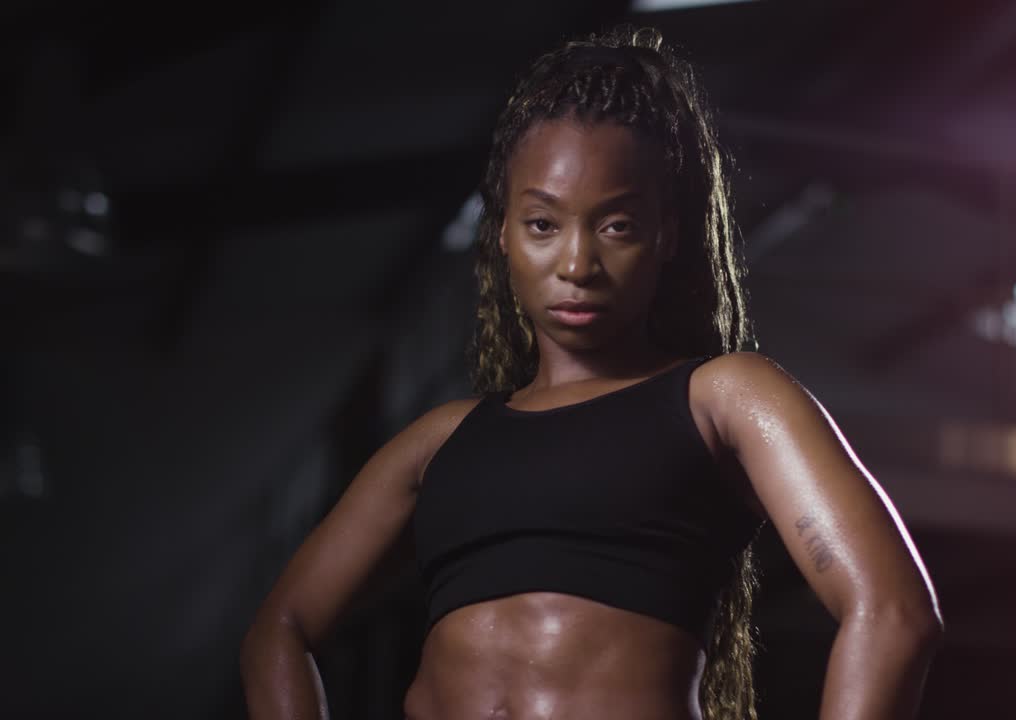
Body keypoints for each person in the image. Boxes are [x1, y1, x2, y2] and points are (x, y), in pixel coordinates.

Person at [240, 25, 941, 720]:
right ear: (504, 233)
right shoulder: (438, 441)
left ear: (665, 234)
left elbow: (893, 610)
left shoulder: (725, 397)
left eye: (616, 226)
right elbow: (280, 630)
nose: (576, 266)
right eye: (544, 225)